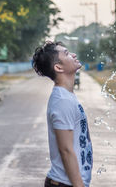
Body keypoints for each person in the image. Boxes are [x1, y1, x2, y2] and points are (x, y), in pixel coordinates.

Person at [32, 41, 93, 187]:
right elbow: (65, 150)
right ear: (58, 67)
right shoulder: (62, 100)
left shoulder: (67, 96)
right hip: (66, 184)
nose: (73, 54)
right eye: (66, 53)